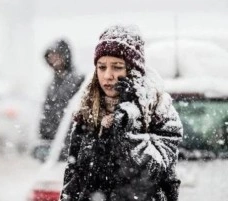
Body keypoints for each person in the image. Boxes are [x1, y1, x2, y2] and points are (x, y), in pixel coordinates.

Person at [60, 25, 183, 201]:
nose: (108, 75)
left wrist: (128, 119)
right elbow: (72, 183)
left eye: (117, 67)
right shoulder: (87, 115)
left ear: (132, 72)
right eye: (102, 67)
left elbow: (152, 174)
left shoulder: (160, 114)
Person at [35, 39, 84, 161]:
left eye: (56, 55)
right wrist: (44, 137)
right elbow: (46, 113)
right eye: (50, 56)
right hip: (55, 147)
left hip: (73, 146)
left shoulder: (79, 81)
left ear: (65, 56)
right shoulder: (51, 85)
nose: (53, 59)